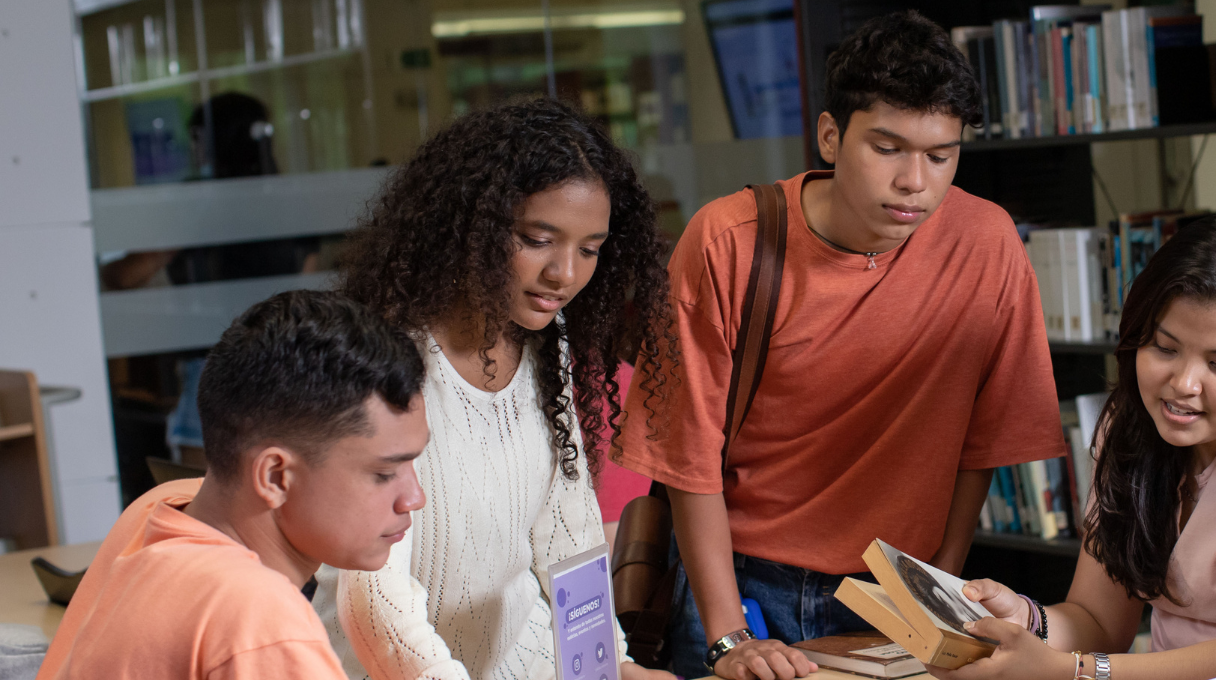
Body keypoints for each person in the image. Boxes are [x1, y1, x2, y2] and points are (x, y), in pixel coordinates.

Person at [609, 10, 1066, 680]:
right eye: (887, 149)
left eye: (940, 156)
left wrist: (937, 585)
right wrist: (730, 636)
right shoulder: (729, 241)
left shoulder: (987, 241)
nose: (916, 181)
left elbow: (984, 443)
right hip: (741, 584)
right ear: (830, 135)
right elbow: (688, 460)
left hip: (900, 592)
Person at [927, 218, 1216, 680]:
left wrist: (1074, 671)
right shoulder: (1133, 422)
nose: (1183, 385)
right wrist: (1030, 623)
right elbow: (1098, 622)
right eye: (1165, 348)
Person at [313, 98, 676, 680]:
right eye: (538, 239)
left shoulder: (547, 347)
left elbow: (567, 539)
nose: (564, 274)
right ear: (470, 225)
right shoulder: (382, 359)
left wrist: (611, 667)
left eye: (589, 250)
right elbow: (373, 596)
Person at [36, 290, 430, 679]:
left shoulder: (158, 510)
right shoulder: (260, 622)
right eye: (383, 474)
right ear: (275, 476)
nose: (415, 498)